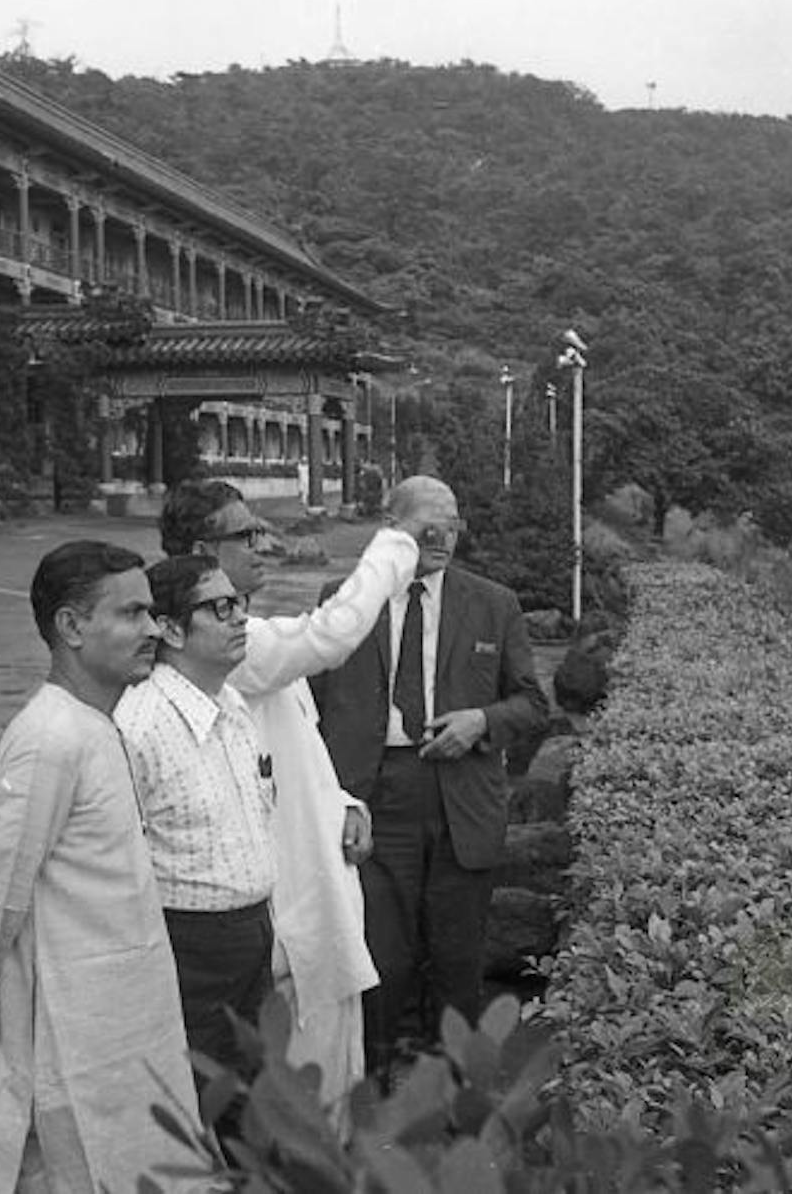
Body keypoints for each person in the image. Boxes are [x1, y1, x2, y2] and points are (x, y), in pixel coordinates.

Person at [0, 540, 208, 1193]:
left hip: (124, 1027)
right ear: (71, 627)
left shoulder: (94, 724)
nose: (152, 630)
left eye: (152, 612)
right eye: (131, 613)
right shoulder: (49, 737)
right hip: (71, 1036)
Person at [157, 479, 425, 1113]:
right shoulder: (216, 648)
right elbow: (331, 636)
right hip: (279, 920)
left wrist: (343, 805)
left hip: (315, 888)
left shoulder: (240, 638)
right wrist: (395, 542)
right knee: (297, 1104)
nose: (263, 545)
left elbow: (291, 746)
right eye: (245, 535)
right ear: (201, 550)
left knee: (329, 1089)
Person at [309, 476, 549, 1080]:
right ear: (393, 527)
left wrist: (481, 721)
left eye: (453, 523)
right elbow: (308, 706)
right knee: (378, 959)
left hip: (460, 797)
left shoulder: (493, 603)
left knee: (456, 962)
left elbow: (531, 705)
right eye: (426, 525)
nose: (443, 536)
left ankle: (459, 1098)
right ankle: (377, 1095)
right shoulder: (344, 599)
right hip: (374, 795)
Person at [115, 556, 274, 1106]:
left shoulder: (230, 703)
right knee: (195, 1111)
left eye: (241, 605)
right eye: (221, 608)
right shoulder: (139, 725)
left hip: (250, 939)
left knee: (252, 1112)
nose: (240, 619)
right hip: (187, 952)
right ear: (172, 629)